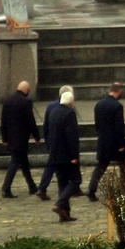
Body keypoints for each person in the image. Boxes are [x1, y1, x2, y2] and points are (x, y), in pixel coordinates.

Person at [86, 82, 125, 202]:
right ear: (118, 92)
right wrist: (121, 144)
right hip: (115, 142)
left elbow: (97, 124)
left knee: (101, 166)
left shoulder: (99, 104)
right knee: (124, 165)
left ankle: (91, 189)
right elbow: (119, 126)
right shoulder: (117, 106)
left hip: (103, 140)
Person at [0, 81, 40, 198]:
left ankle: (31, 186)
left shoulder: (7, 102)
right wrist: (36, 136)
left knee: (24, 163)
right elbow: (30, 121)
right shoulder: (26, 102)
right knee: (15, 163)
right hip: (21, 138)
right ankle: (6, 188)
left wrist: (4, 138)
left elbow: (4, 122)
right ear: (26, 90)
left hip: (12, 138)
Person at [35, 85, 73, 201]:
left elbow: (46, 125)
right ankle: (43, 188)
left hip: (52, 140)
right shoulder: (68, 109)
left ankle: (44, 188)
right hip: (61, 142)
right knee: (55, 165)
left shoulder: (51, 106)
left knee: (52, 165)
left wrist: (47, 140)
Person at [48, 91, 81, 222]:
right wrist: (74, 155)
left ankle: (65, 213)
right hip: (67, 154)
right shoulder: (69, 113)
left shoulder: (53, 112)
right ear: (71, 102)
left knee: (62, 183)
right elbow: (72, 136)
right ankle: (60, 204)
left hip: (55, 154)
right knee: (75, 181)